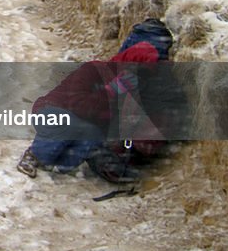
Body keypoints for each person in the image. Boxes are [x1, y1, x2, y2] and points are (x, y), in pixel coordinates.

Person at [16, 18, 179, 183]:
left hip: (85, 123)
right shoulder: (94, 70)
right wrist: (111, 93)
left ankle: (58, 160)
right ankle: (34, 155)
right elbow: (79, 105)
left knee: (91, 138)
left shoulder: (140, 89)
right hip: (53, 110)